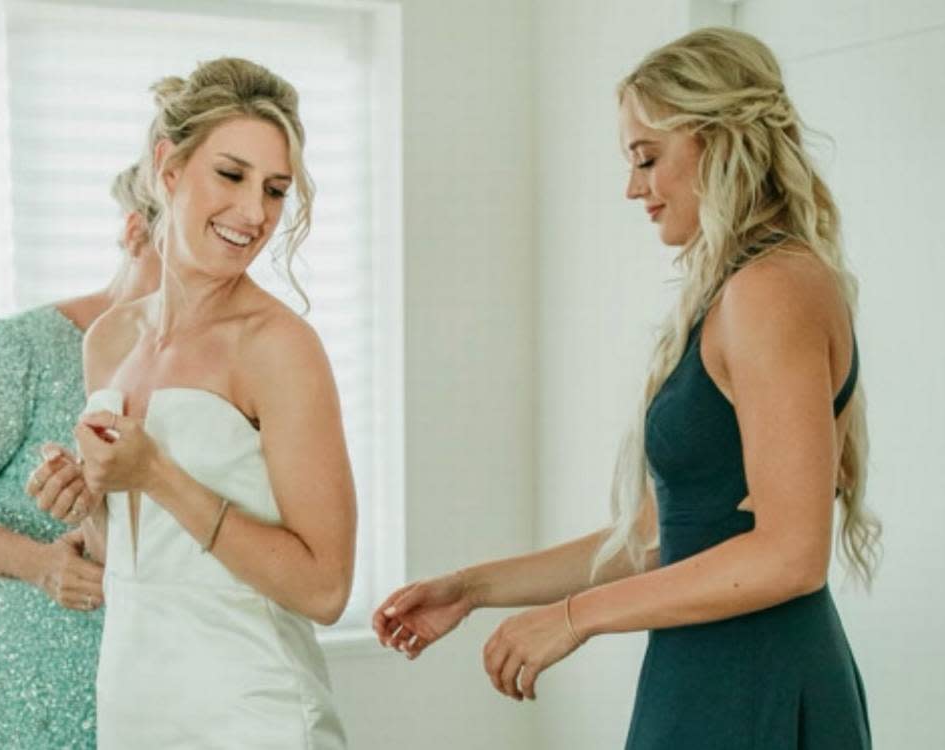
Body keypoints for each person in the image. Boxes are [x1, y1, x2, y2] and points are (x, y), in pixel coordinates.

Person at [373, 27, 880, 749]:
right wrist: (474, 587)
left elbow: (792, 554)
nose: (633, 186)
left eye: (647, 158)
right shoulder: (734, 290)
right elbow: (652, 538)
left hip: (756, 680)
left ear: (718, 139)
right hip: (699, 677)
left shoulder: (773, 288)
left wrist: (577, 616)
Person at [32, 58, 356, 749]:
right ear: (168, 167)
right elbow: (132, 559)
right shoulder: (109, 339)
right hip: (134, 703)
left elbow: (325, 589)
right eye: (232, 176)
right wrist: (84, 497)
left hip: (251, 711)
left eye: (275, 190)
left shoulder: (280, 347)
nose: (255, 214)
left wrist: (158, 476)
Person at [0, 161, 162, 749]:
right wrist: (41, 564)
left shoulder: (226, 364)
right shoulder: (28, 346)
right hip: (33, 683)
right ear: (136, 230)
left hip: (168, 678)